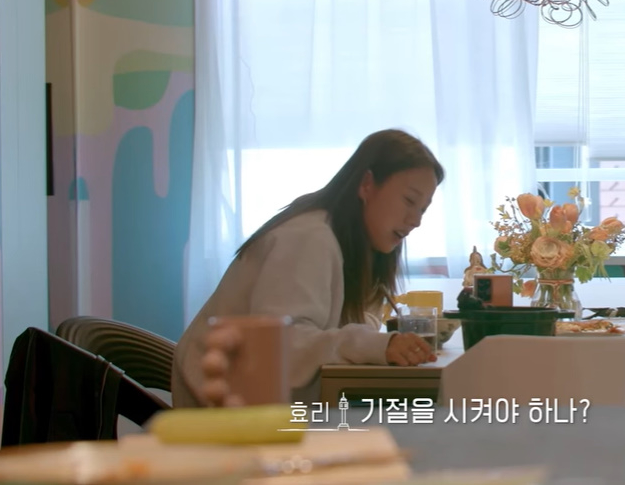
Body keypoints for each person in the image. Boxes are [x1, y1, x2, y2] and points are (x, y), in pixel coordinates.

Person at [172, 129, 445, 408]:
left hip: (246, 401)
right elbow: (281, 345)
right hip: (216, 406)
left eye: (423, 209)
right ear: (366, 184)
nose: (416, 221)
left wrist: (379, 342)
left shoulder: (346, 242)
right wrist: (373, 345)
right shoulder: (309, 238)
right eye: (409, 200)